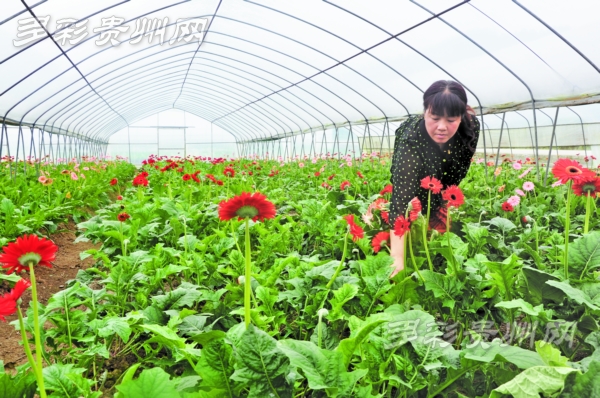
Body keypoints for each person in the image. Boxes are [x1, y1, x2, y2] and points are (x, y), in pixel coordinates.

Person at [388, 80, 480, 276]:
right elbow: (401, 200)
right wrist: (397, 260)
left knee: (437, 240)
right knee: (406, 237)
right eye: (435, 118)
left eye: (451, 120)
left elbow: (458, 171)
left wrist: (441, 204)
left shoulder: (471, 127)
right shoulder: (410, 139)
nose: (442, 127)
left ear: (461, 116)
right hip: (416, 185)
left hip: (441, 189)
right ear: (425, 113)